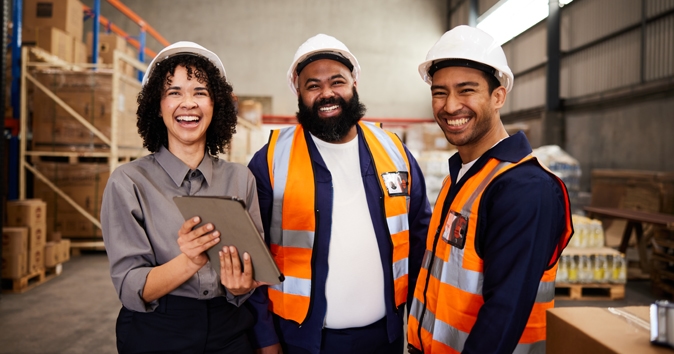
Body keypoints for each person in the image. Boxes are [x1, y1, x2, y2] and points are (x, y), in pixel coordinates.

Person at [246, 34, 432, 354]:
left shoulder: (393, 151)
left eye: (337, 81)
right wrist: (266, 339)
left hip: (385, 338)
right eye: (313, 85)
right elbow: (252, 257)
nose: (327, 93)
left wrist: (421, 324)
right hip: (301, 342)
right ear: (299, 94)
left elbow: (419, 238)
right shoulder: (271, 160)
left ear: (354, 83)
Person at [407, 26, 574, 354]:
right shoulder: (461, 178)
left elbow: (504, 314)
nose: (450, 105)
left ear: (498, 96)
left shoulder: (525, 189)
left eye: (466, 90)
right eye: (439, 92)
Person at [101, 41, 266, 353]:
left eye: (200, 92)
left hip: (228, 328)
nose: (188, 103)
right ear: (157, 106)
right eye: (174, 92)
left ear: (215, 105)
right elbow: (131, 287)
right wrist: (190, 260)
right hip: (156, 329)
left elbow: (249, 275)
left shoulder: (240, 178)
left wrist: (241, 285)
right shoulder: (129, 182)